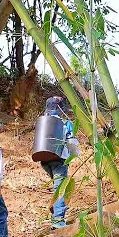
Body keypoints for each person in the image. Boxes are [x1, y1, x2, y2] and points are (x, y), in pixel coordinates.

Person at [39, 97, 79, 229]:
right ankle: (58, 219)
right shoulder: (65, 123)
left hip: (44, 160)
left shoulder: (42, 122)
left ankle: (55, 212)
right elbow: (71, 141)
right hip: (59, 158)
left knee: (57, 186)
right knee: (60, 188)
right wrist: (75, 155)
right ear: (61, 109)